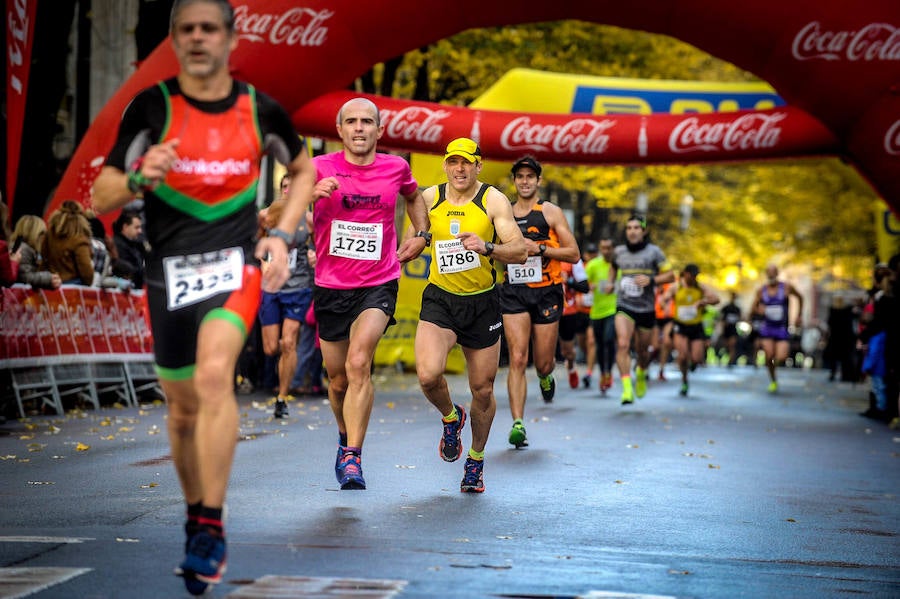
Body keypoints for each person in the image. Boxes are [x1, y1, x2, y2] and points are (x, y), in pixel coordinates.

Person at [90, 0, 316, 593]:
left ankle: (211, 524)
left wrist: (283, 235)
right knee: (183, 406)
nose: (197, 38)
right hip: (167, 274)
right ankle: (196, 514)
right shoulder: (153, 106)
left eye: (208, 28)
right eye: (186, 29)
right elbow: (101, 196)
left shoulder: (258, 108)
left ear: (230, 39)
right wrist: (140, 176)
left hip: (232, 265)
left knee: (216, 375)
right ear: (173, 39)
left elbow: (304, 168)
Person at [311, 96, 430, 491]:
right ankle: (345, 438)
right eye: (352, 122)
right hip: (330, 285)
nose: (359, 128)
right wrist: (309, 197)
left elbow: (414, 197)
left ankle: (352, 458)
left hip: (378, 282)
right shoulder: (318, 168)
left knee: (359, 363)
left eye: (367, 122)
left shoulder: (396, 167)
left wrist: (421, 236)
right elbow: (277, 212)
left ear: (379, 131)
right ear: (340, 130)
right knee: (337, 380)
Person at [415, 137, 526, 491]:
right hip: (441, 300)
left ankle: (475, 460)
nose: (459, 169)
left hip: (481, 303)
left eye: (466, 162)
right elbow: (410, 236)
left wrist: (487, 246)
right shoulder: (429, 198)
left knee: (482, 389)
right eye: (452, 162)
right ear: (445, 165)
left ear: (478, 166)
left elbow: (520, 250)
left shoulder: (492, 199)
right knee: (429, 375)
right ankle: (451, 417)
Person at [498, 156, 579, 448]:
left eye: (530, 176)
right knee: (518, 358)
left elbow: (573, 253)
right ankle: (518, 423)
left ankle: (546, 378)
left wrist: (541, 248)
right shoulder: (502, 212)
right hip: (514, 291)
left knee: (543, 362)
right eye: (519, 176)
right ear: (514, 180)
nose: (525, 181)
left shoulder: (550, 212)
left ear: (538, 181)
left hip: (546, 291)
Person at [604, 215, 674, 405]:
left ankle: (641, 372)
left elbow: (671, 275)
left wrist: (652, 280)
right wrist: (611, 283)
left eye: (636, 228)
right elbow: (613, 268)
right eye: (629, 228)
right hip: (624, 305)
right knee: (623, 344)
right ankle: (627, 388)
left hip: (646, 308)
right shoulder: (618, 252)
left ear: (643, 231)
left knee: (643, 351)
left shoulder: (654, 252)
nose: (632, 231)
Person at [258, 192, 314, 419]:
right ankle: (281, 378)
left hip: (298, 287)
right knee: (271, 348)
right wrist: (263, 262)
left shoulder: (307, 220)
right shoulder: (266, 217)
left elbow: (322, 241)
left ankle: (282, 397)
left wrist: (314, 254)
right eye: (285, 186)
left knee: (288, 342)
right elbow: (257, 244)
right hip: (271, 288)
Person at [750, 264, 804, 393]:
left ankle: (774, 368)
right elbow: (753, 308)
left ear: (777, 273)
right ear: (766, 274)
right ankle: (773, 380)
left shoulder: (786, 287)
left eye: (773, 273)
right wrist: (760, 310)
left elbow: (800, 297)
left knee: (781, 357)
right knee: (769, 356)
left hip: (781, 328)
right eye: (768, 273)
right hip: (767, 328)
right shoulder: (761, 290)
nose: (771, 275)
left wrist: (799, 316)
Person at [669, 264, 719, 396]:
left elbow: (716, 299)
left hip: (696, 326)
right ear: (684, 274)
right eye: (691, 275)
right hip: (680, 325)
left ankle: (693, 364)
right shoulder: (677, 286)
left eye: (695, 276)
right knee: (683, 356)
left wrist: (704, 302)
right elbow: (665, 298)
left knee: (697, 358)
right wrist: (665, 305)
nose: (693, 278)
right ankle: (684, 381)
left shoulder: (700, 287)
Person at [586, 236, 618, 394]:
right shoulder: (593, 265)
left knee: (609, 339)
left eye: (609, 248)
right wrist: (590, 286)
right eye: (603, 248)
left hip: (614, 309)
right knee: (599, 344)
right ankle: (603, 372)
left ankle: (608, 372)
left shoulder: (619, 265)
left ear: (613, 249)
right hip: (596, 311)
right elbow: (584, 283)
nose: (606, 251)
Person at [42, 200, 95, 285]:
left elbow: (44, 257)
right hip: (73, 285)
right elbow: (86, 271)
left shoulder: (49, 234)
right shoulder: (79, 240)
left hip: (51, 282)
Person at [11, 214, 62, 289]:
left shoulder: (25, 248)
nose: (43, 237)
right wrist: (48, 278)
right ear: (35, 234)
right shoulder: (23, 249)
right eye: (42, 233)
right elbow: (25, 277)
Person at [112, 209, 147, 289]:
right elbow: (129, 270)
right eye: (136, 227)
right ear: (125, 227)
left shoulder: (135, 245)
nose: (140, 231)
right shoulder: (117, 245)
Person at [653, 280, 675, 380]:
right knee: (655, 346)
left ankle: (661, 370)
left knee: (666, 342)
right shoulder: (651, 284)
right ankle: (644, 366)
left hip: (668, 318)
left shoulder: (671, 286)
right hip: (654, 318)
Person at [717, 292, 742, 367]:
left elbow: (740, 318)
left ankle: (730, 361)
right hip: (726, 330)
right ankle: (722, 356)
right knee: (726, 346)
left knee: (732, 345)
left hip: (733, 330)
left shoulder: (737, 309)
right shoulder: (726, 308)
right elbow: (720, 317)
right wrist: (722, 323)